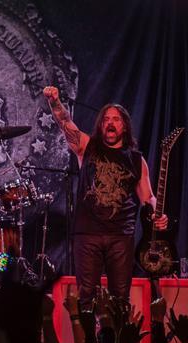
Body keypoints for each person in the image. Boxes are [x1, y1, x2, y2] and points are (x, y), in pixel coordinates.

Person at [42, 86, 169, 310]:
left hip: (121, 236)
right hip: (87, 234)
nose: (111, 123)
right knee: (86, 296)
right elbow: (65, 123)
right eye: (106, 119)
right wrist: (54, 102)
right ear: (101, 125)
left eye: (116, 119)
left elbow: (148, 197)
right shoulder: (87, 147)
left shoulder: (136, 160)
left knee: (120, 298)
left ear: (125, 126)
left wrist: (159, 213)